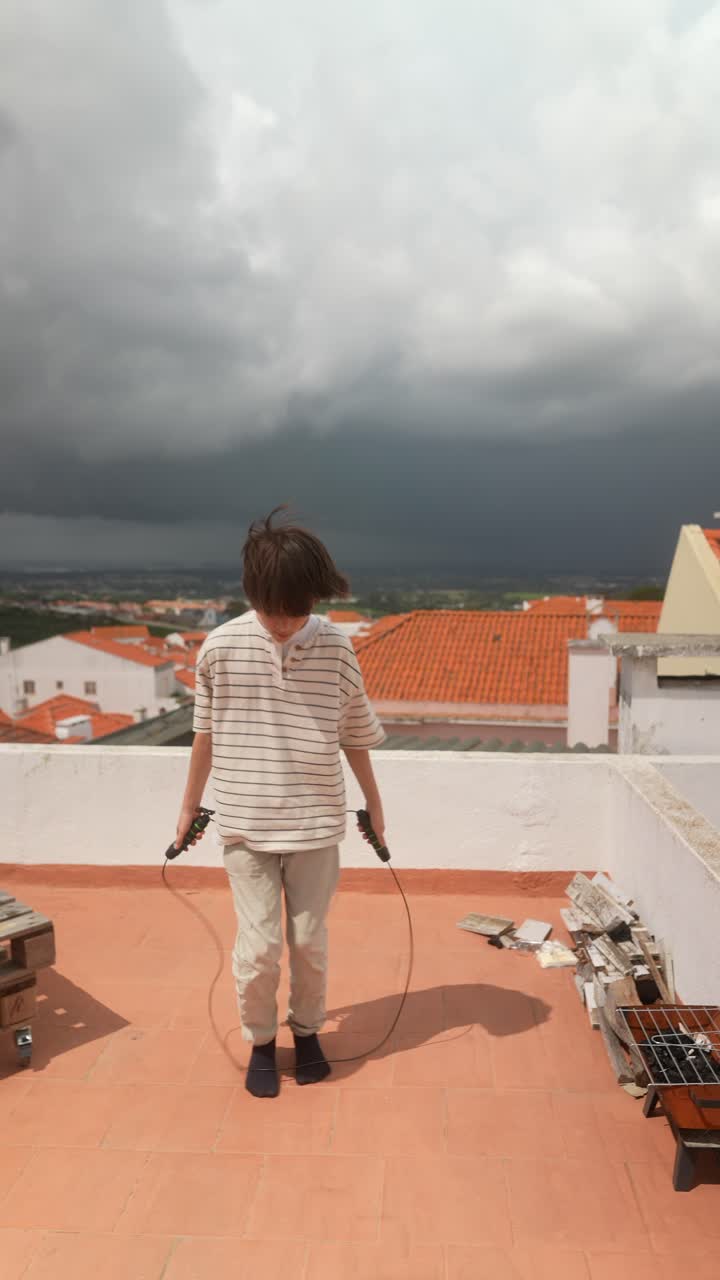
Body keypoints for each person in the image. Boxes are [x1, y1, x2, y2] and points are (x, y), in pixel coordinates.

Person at [174, 507, 386, 1097]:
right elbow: (205, 734)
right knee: (261, 945)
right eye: (276, 610)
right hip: (244, 824)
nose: (289, 623)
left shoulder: (339, 649)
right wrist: (189, 807)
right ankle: (262, 1042)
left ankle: (309, 1032)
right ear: (253, 594)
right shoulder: (219, 648)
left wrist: (375, 806)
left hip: (317, 824)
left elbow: (355, 737)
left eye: (302, 609)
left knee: (309, 943)